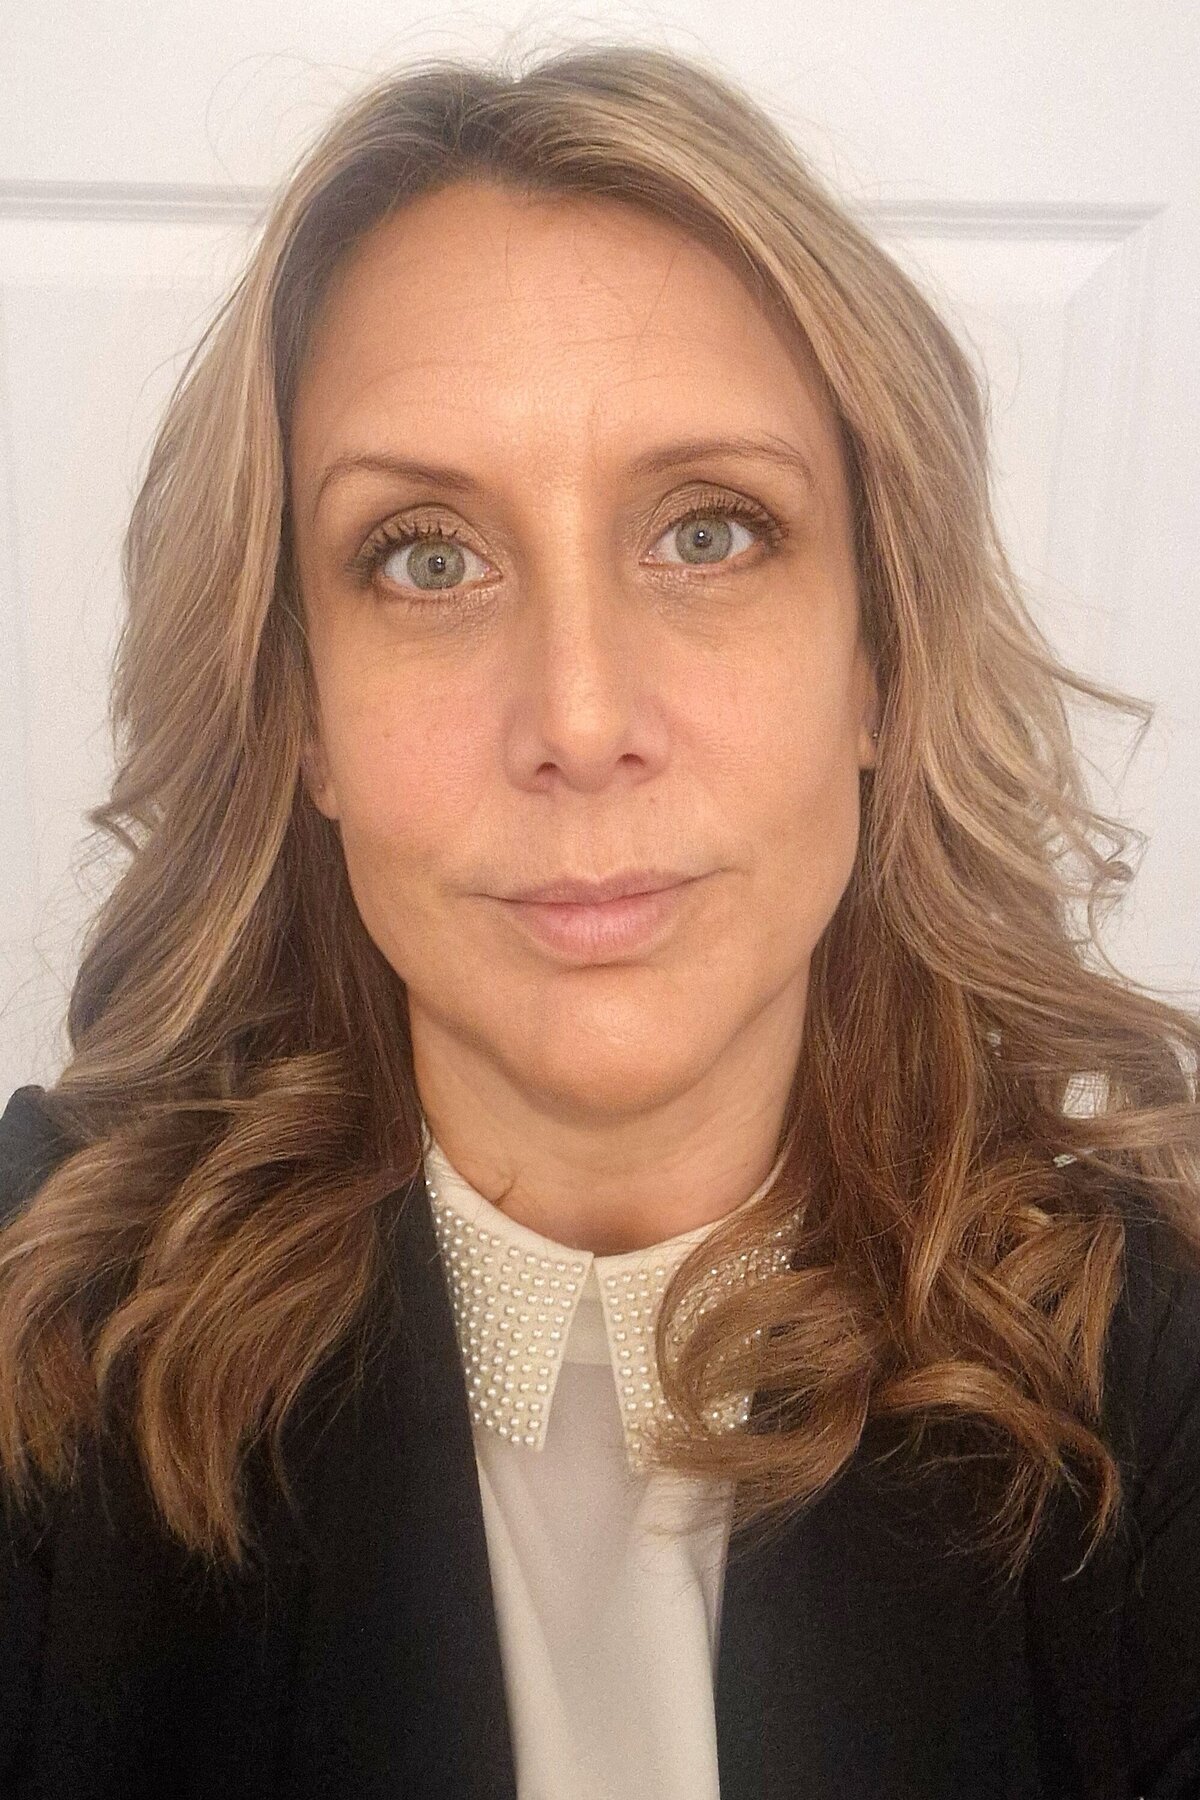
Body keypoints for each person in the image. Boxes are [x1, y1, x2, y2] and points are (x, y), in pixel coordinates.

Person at [1, 40, 1198, 1800]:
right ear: (302, 714)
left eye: (709, 533)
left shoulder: (1151, 1365)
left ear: (881, 660)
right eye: (426, 557)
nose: (577, 716)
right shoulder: (41, 1324)